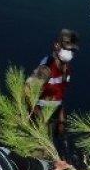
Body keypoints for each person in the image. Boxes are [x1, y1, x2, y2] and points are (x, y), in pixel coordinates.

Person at [32, 29, 78, 159]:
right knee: (39, 153)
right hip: (39, 117)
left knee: (50, 149)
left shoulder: (67, 69)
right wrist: (40, 122)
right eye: (66, 48)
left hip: (54, 116)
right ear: (56, 45)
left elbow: (61, 95)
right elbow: (27, 92)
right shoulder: (46, 68)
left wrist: (62, 121)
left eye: (72, 50)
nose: (69, 53)